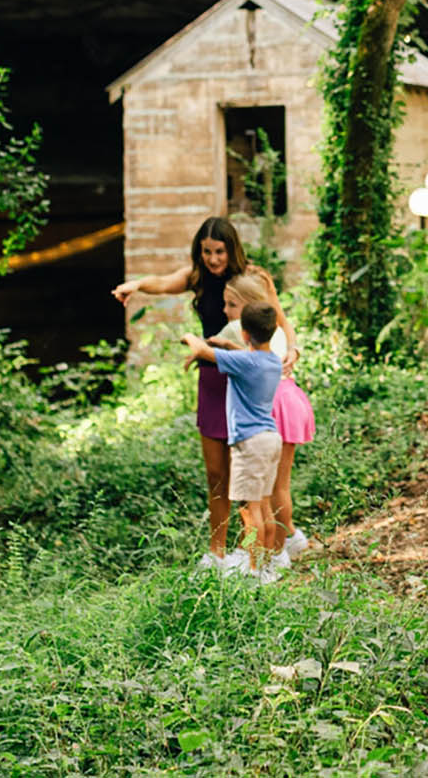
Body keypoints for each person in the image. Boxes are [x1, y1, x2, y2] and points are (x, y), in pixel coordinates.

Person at [112, 217, 298, 569]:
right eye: (207, 252)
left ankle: (263, 551)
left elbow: (281, 319)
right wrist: (134, 284)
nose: (213, 259)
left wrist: (293, 348)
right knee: (217, 473)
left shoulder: (251, 279)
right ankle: (217, 551)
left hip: (245, 379)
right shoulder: (197, 277)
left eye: (220, 252)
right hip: (212, 375)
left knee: (251, 470)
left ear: (232, 250)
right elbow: (164, 283)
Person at [219, 271, 316, 565]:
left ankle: (271, 552)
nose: (227, 312)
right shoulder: (273, 329)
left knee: (261, 496)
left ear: (248, 306)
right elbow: (285, 323)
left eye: (232, 305)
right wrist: (271, 293)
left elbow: (237, 358)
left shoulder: (243, 333)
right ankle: (283, 545)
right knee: (275, 489)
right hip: (290, 400)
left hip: (277, 406)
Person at [183, 300, 285, 578]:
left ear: (243, 333)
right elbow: (246, 354)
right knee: (264, 506)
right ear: (274, 330)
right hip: (271, 439)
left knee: (249, 512)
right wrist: (228, 345)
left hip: (249, 444)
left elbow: (202, 351)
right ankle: (267, 568)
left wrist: (189, 337)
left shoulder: (244, 362)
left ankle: (253, 572)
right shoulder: (272, 361)